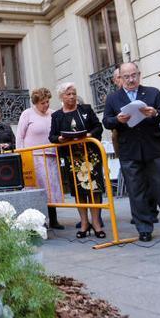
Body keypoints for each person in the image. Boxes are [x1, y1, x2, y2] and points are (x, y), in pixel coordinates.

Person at [103, 62, 160, 241]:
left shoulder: (153, 92)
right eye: (126, 76)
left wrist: (154, 113)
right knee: (135, 190)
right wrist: (117, 119)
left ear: (139, 74)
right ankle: (144, 229)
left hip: (153, 148)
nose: (131, 80)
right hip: (129, 149)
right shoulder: (113, 98)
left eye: (134, 75)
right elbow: (106, 121)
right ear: (120, 78)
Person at [48, 83, 106, 237]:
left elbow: (98, 127)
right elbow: (52, 136)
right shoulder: (57, 116)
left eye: (73, 93)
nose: (72, 96)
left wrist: (88, 135)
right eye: (68, 94)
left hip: (90, 156)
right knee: (79, 191)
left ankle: (97, 224)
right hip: (72, 158)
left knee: (94, 190)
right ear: (61, 97)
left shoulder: (85, 109)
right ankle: (84, 224)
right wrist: (60, 138)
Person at [17, 88, 63, 229]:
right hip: (33, 157)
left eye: (47, 102)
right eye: (42, 103)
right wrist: (20, 156)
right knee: (38, 189)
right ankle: (39, 220)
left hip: (50, 155)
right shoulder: (27, 114)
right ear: (36, 103)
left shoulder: (54, 114)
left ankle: (54, 219)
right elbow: (20, 136)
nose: (46, 105)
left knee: (51, 189)